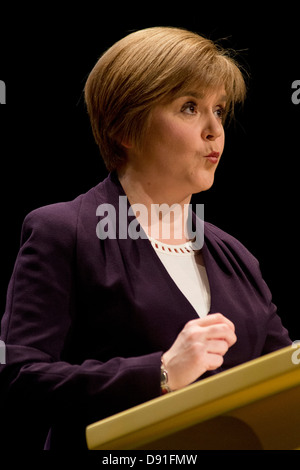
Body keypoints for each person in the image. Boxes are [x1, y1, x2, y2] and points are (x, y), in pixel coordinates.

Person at [0, 27, 292, 450]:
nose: (215, 130)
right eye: (190, 108)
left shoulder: (236, 257)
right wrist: (162, 371)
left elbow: (284, 381)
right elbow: (17, 378)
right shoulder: (64, 232)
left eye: (220, 111)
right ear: (127, 129)